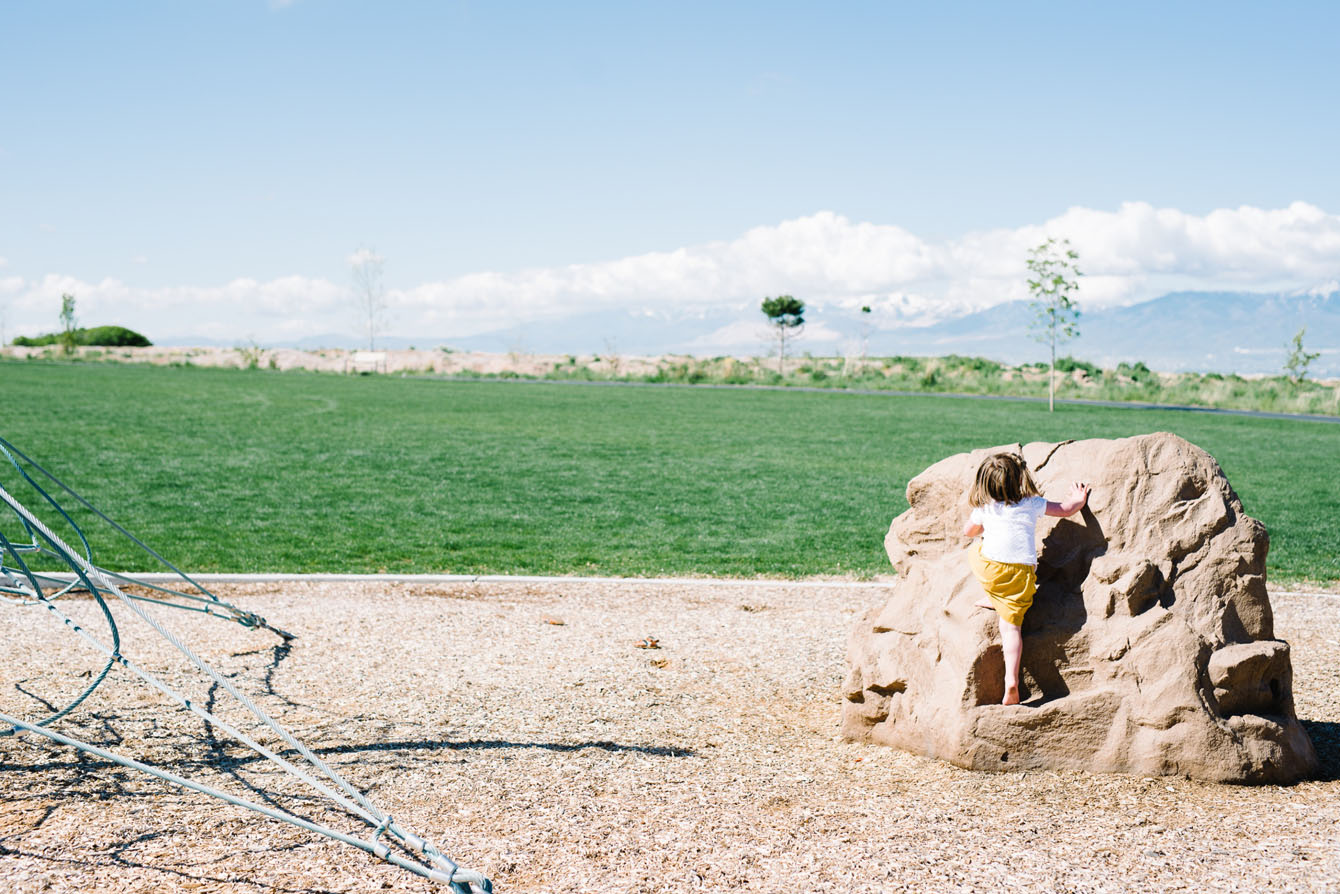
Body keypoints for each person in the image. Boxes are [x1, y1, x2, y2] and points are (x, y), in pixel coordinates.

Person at [961, 452, 1090, 706]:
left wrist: (985, 525)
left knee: (976, 551)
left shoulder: (985, 508)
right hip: (1022, 575)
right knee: (1012, 628)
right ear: (1019, 479)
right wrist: (1078, 500)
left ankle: (995, 596)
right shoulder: (1032, 503)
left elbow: (968, 533)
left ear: (985, 484)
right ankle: (1012, 681)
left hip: (992, 571)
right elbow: (1065, 510)